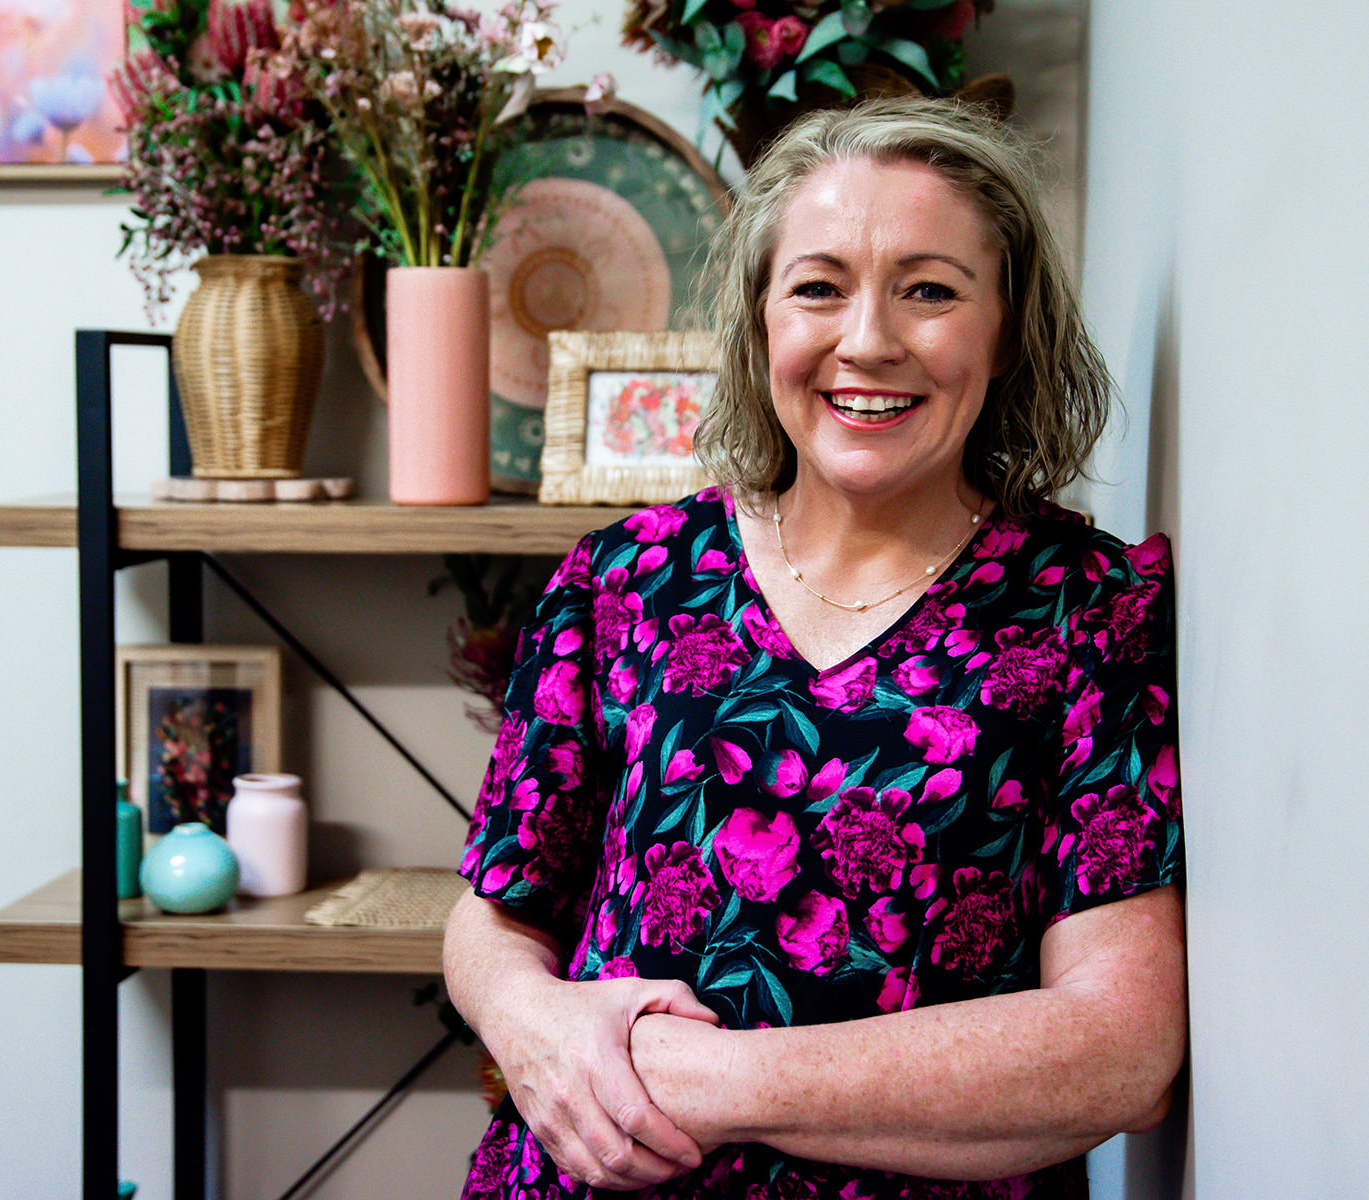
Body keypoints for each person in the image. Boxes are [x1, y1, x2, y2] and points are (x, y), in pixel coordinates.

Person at [445, 96, 1185, 1200]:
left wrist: (724, 1080)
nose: (869, 339)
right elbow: (495, 907)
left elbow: (1120, 1054)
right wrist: (533, 1025)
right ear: (760, 321)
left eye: (929, 290)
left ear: (1004, 325)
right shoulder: (620, 581)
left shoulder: (1089, 610)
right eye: (819, 288)